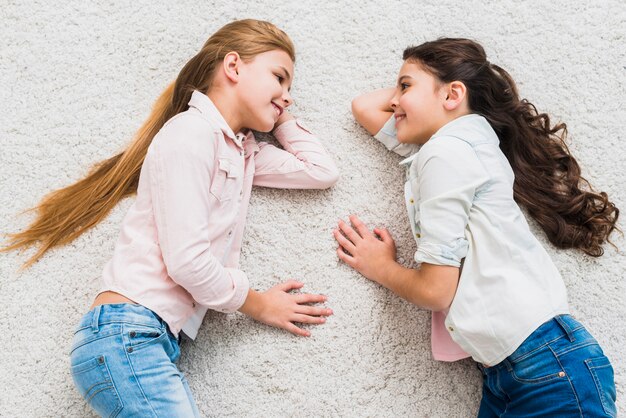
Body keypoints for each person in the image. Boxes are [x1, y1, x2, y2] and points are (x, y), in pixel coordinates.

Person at [4, 19, 338, 416]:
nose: (287, 95)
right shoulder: (190, 134)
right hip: (127, 333)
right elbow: (188, 261)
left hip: (143, 339)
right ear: (233, 66)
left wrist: (280, 116)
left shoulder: (243, 153)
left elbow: (321, 171)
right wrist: (258, 303)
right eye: (279, 78)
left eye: (290, 89)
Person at [336, 38, 618, 416]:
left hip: (546, 367)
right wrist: (432, 87)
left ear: (454, 94)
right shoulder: (458, 145)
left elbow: (436, 291)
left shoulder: (445, 153)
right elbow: (364, 107)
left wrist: (381, 267)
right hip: (525, 367)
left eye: (405, 86)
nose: (393, 101)